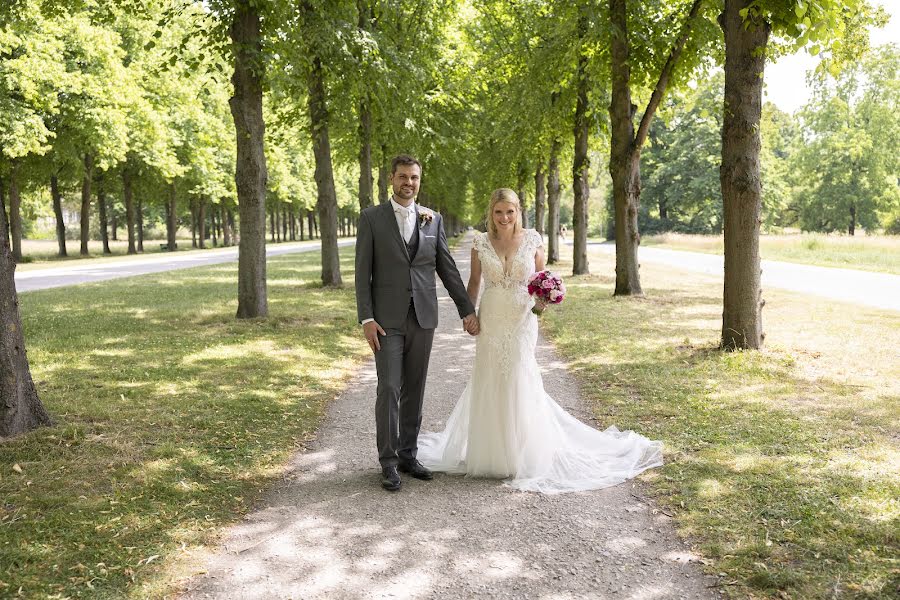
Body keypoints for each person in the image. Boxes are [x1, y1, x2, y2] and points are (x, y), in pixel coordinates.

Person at [418, 189, 662, 493]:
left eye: (510, 211)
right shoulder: (481, 243)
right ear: (490, 213)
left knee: (520, 375)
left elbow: (541, 281)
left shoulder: (532, 239)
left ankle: (524, 453)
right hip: (491, 318)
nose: (505, 218)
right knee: (490, 376)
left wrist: (543, 303)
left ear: (518, 211)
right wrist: (468, 314)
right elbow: (475, 282)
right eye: (498, 212)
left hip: (522, 319)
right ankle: (493, 455)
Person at [355, 155, 480, 492]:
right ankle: (388, 462)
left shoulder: (433, 220)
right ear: (391, 179)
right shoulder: (371, 219)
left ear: (418, 181)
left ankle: (409, 454)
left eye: (414, 177)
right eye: (402, 177)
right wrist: (366, 317)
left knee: (415, 388)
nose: (408, 183)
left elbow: (448, 269)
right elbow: (362, 274)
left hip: (423, 317)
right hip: (385, 320)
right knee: (390, 388)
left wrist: (467, 310)